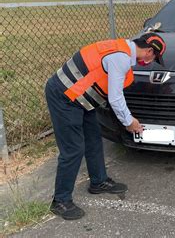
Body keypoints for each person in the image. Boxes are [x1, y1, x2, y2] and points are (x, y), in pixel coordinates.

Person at [45, 33, 166, 220]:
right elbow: (115, 97)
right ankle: (60, 201)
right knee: (73, 149)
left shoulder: (122, 50)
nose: (151, 62)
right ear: (149, 51)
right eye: (154, 59)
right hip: (64, 96)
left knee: (93, 139)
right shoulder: (121, 58)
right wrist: (129, 122)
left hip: (81, 99)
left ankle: (98, 182)